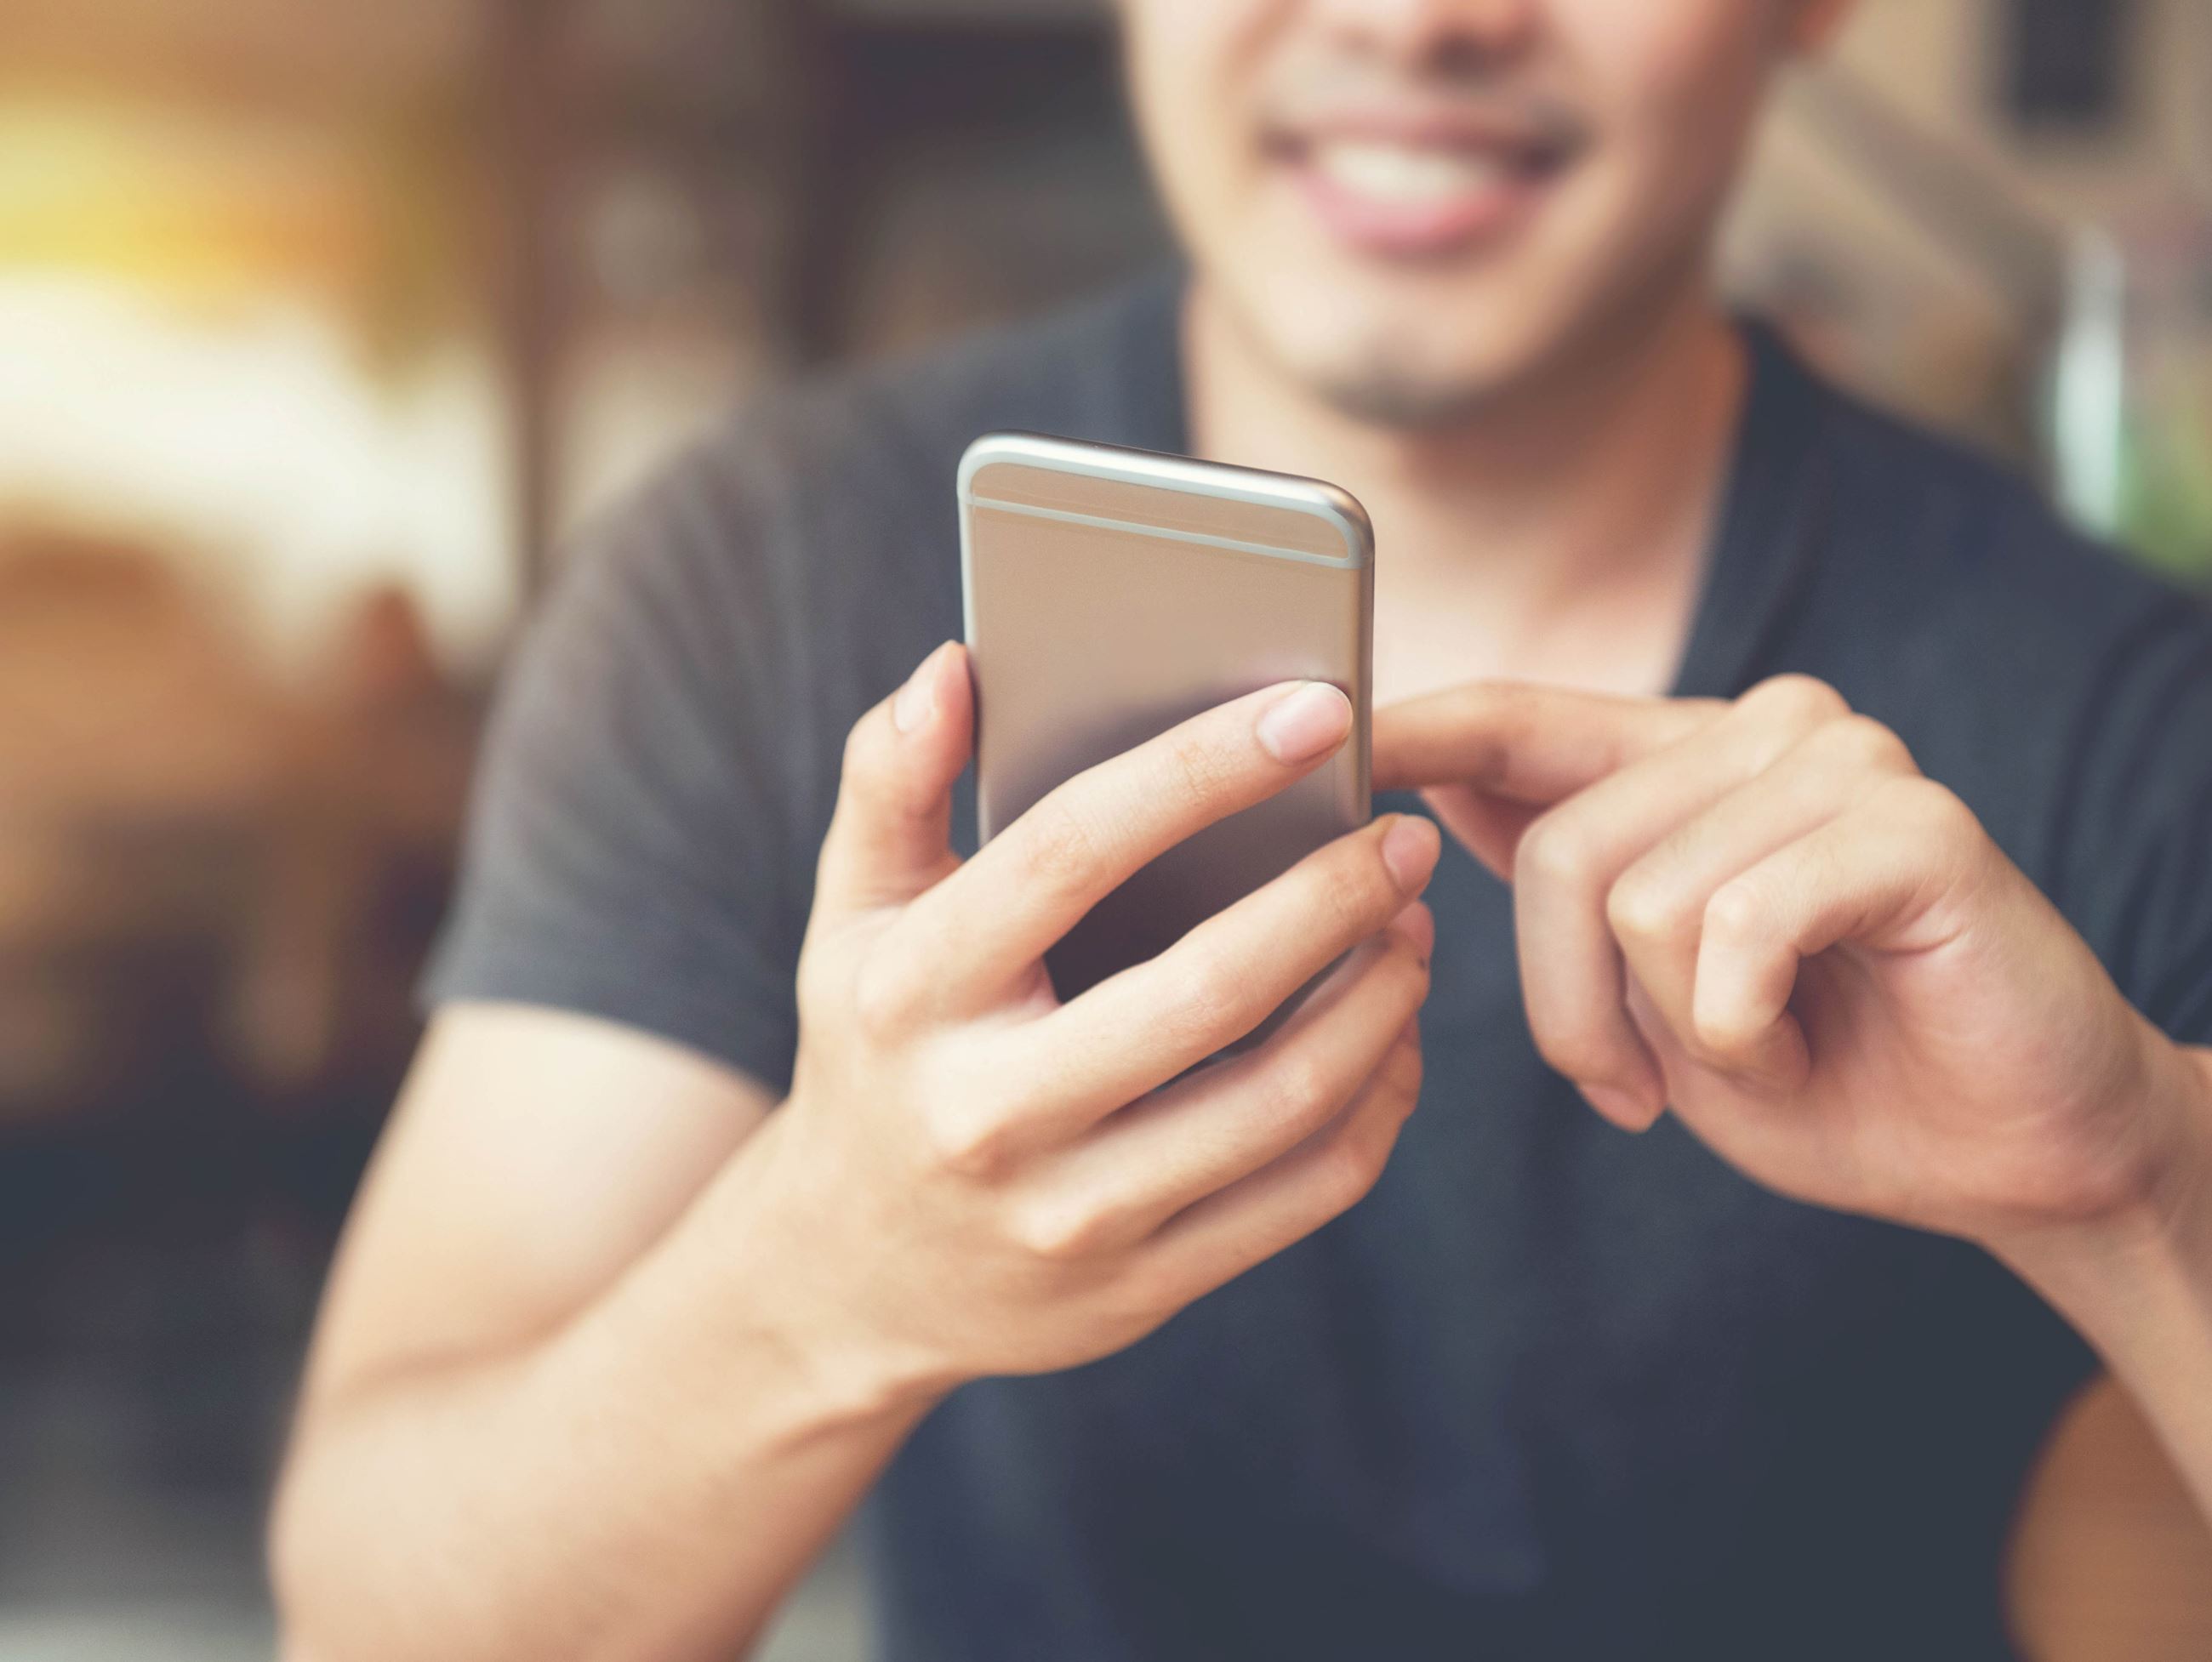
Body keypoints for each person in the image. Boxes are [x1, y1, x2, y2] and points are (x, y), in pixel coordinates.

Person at [268, 2, 2212, 1658]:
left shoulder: (2139, 721)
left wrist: (2136, 1178)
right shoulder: (753, 579)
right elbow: (374, 1609)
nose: (1414, 22)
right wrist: (821, 1282)